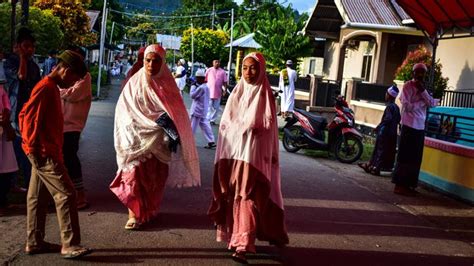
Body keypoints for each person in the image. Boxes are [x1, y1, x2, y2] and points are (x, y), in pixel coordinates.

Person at [208, 52, 289, 264]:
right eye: (245, 68)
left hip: (255, 159)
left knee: (250, 197)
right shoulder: (237, 92)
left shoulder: (265, 95)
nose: (248, 72)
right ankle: (237, 239)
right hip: (234, 156)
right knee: (235, 196)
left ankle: (244, 244)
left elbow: (267, 130)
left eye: (253, 68)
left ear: (261, 70)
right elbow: (226, 126)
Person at [110, 44, 200, 230]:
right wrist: (140, 127)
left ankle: (149, 210)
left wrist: (172, 133)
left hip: (160, 142)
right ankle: (133, 214)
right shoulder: (134, 84)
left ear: (163, 62)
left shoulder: (169, 86)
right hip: (135, 139)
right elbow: (124, 112)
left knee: (154, 179)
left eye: (156, 60)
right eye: (148, 60)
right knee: (133, 176)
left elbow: (177, 113)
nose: (151, 64)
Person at [19, 50, 91, 259]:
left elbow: (26, 114)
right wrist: (33, 149)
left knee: (37, 197)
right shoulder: (46, 88)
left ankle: (34, 241)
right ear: (65, 71)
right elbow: (28, 117)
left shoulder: (49, 87)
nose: (72, 83)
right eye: (74, 78)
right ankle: (70, 245)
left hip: (42, 149)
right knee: (67, 194)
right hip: (44, 151)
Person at [392, 63, 439, 196]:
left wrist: (423, 94)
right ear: (413, 73)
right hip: (409, 125)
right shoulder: (408, 86)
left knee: (415, 158)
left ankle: (409, 185)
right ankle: (399, 185)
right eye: (418, 72)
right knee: (405, 156)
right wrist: (423, 102)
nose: (420, 75)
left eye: (422, 72)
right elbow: (407, 107)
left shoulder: (424, 89)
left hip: (420, 127)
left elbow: (431, 103)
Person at [4, 27, 41, 192]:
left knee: (26, 150)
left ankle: (26, 184)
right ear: (18, 46)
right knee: (12, 151)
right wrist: (21, 58)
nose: (30, 50)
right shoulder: (10, 63)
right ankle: (12, 185)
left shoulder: (34, 66)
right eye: (26, 46)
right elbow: (21, 77)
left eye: (32, 47)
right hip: (12, 114)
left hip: (28, 115)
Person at [60, 52, 92, 210]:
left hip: (73, 124)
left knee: (70, 157)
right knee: (63, 158)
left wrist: (60, 92)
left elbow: (72, 95)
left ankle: (79, 193)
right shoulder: (59, 75)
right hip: (60, 123)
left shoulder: (84, 77)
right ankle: (68, 192)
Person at [359, 85, 401, 175]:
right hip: (393, 133)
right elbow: (398, 119)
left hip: (385, 132)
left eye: (386, 93)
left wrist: (378, 127)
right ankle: (370, 165)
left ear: (389, 95)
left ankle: (376, 168)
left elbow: (388, 119)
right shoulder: (396, 107)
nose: (385, 95)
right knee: (386, 151)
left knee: (380, 150)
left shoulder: (389, 107)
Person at [0, 83, 18, 215]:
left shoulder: (1, 89)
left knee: (6, 170)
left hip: (4, 131)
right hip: (4, 128)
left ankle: (2, 201)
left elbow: (6, 109)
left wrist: (6, 123)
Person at [189, 69, 216, 149]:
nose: (197, 79)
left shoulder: (201, 87)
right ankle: (211, 141)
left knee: (192, 127)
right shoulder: (205, 86)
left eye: (199, 78)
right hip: (203, 110)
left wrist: (195, 87)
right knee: (205, 125)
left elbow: (192, 96)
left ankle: (189, 142)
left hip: (197, 110)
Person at [206, 59, 228, 125]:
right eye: (216, 62)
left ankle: (212, 120)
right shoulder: (209, 70)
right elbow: (205, 80)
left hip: (218, 92)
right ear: (213, 63)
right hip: (209, 92)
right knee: (208, 106)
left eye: (218, 62)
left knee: (216, 108)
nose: (217, 63)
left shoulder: (222, 72)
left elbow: (225, 82)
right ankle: (208, 119)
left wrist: (225, 91)